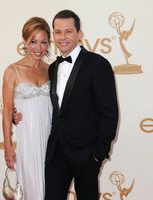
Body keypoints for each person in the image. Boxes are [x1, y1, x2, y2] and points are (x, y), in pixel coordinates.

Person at [14, 9, 119, 200]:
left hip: (86, 155)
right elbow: (44, 104)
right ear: (53, 35)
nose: (63, 37)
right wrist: (17, 115)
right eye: (58, 32)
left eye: (68, 31)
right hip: (56, 153)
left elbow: (110, 113)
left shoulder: (97, 64)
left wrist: (97, 154)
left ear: (79, 34)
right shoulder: (52, 68)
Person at [2, 17, 52, 200]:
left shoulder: (52, 70)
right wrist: (8, 146)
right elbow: (7, 112)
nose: (39, 48)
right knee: (31, 191)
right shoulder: (13, 71)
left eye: (43, 42)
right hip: (28, 142)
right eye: (33, 42)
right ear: (25, 42)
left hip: (52, 141)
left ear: (48, 43)